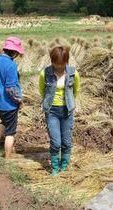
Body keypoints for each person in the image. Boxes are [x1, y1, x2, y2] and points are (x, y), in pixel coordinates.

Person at [39, 46, 80, 176]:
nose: (60, 66)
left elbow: (76, 90)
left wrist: (70, 102)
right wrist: (48, 102)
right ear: (52, 61)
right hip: (52, 111)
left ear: (66, 61)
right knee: (56, 142)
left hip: (67, 110)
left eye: (62, 64)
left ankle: (64, 166)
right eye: (57, 63)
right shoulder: (45, 73)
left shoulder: (73, 73)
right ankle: (55, 168)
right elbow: (42, 90)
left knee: (66, 141)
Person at [0, 37, 24, 159]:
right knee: (10, 132)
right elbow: (11, 89)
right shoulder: (11, 65)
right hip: (8, 105)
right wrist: (19, 101)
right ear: (14, 52)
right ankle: (7, 160)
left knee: (4, 122)